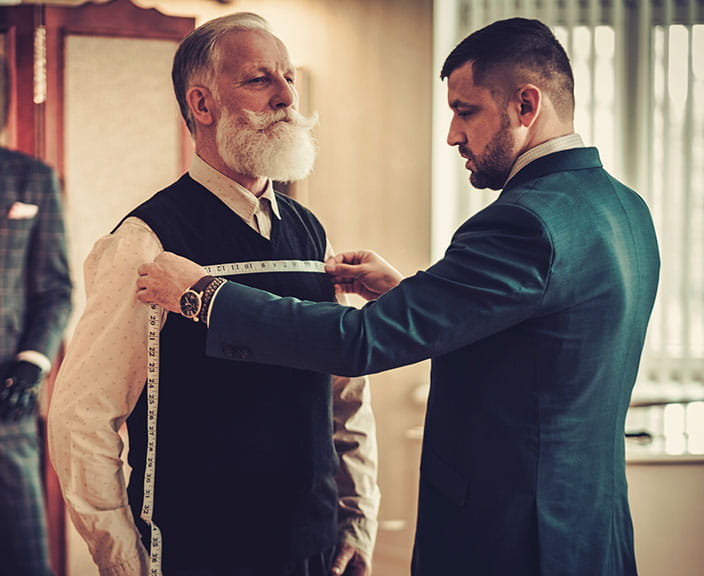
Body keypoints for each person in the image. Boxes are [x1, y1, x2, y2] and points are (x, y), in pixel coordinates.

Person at [137, 17, 662, 576]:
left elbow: (357, 340)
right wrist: (406, 292)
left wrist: (205, 297)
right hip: (592, 532)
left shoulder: (522, 223)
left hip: (512, 540)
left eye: (466, 111)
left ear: (525, 105)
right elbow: (533, 333)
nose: (453, 135)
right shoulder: (625, 209)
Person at [48, 13, 379, 576]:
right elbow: (83, 419)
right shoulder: (145, 240)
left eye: (288, 77)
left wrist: (357, 516)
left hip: (316, 546)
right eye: (259, 80)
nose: (285, 96)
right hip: (198, 550)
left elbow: (344, 392)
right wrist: (126, 561)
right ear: (202, 106)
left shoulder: (310, 229)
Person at [0, 53, 73, 576]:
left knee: (25, 560)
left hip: (6, 403)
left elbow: (56, 289)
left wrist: (31, 364)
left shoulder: (32, 180)